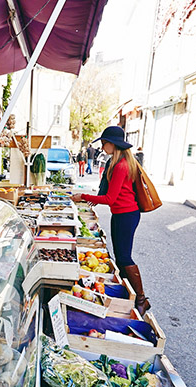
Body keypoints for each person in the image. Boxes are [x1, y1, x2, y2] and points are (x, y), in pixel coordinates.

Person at [70, 126, 151, 315]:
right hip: (122, 214)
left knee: (124, 257)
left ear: (112, 144)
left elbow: (109, 199)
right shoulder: (118, 162)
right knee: (121, 256)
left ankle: (141, 298)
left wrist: (82, 196)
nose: (103, 146)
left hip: (126, 215)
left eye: (104, 143)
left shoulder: (121, 166)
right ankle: (126, 296)